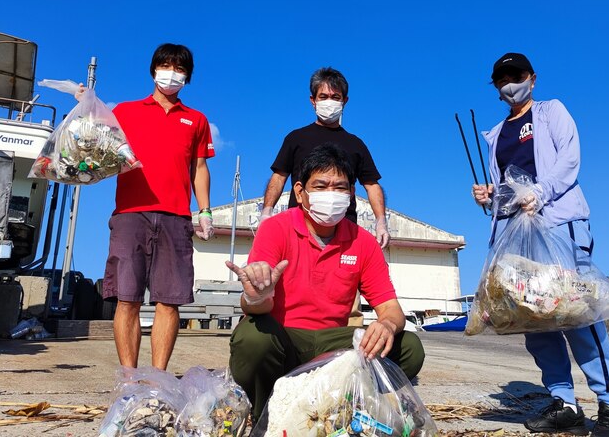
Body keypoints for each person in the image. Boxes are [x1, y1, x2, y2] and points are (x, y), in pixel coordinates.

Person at [471, 53, 609, 437]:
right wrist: (489, 198)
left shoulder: (550, 111)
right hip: (517, 233)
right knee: (534, 316)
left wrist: (541, 191)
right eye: (502, 79)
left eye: (517, 75)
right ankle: (564, 402)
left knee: (579, 313)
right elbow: (509, 191)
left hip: (559, 224)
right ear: (495, 87)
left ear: (532, 78)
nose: (510, 83)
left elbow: (569, 161)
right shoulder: (496, 136)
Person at [227, 143, 424, 421]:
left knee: (409, 347)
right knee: (253, 338)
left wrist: (387, 325)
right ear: (300, 191)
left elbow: (391, 309)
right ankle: (267, 415)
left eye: (340, 187)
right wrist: (258, 296)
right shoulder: (275, 228)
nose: (331, 194)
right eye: (320, 186)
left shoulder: (363, 242)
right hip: (285, 339)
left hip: (335, 348)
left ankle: (343, 405)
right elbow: (252, 306)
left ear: (352, 194)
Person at [101, 43, 216, 371]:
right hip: (129, 214)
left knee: (170, 300)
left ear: (188, 77)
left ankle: (158, 378)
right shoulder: (124, 111)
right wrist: (88, 106)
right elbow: (95, 144)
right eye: (166, 66)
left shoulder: (196, 120)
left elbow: (199, 168)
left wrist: (205, 210)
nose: (172, 74)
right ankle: (129, 377)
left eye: (180, 69)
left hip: (176, 217)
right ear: (153, 70)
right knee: (127, 297)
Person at [259, 67, 391, 248]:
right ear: (313, 100)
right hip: (299, 228)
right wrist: (266, 213)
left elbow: (372, 185)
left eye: (335, 97)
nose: (329, 102)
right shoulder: (295, 138)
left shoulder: (356, 144)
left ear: (345, 101)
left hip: (345, 231)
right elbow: (278, 177)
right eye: (323, 97)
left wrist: (381, 222)